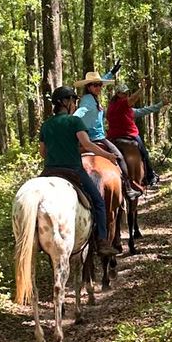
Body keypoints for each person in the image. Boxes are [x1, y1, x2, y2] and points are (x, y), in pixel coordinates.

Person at [38, 86, 121, 258]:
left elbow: (42, 152)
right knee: (98, 202)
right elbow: (89, 145)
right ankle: (102, 241)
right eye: (73, 101)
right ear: (65, 102)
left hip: (48, 172)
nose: (75, 104)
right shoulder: (75, 122)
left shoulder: (46, 125)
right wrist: (108, 156)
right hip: (73, 170)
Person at [73, 72, 140, 202]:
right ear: (89, 86)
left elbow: (102, 80)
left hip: (90, 136)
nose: (98, 87)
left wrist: (110, 73)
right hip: (96, 137)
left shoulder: (92, 98)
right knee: (119, 157)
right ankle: (128, 187)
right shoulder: (88, 100)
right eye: (95, 85)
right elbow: (81, 112)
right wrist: (71, 120)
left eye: (100, 85)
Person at [106, 79, 162, 186]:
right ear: (118, 94)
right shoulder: (121, 104)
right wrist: (142, 88)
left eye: (127, 93)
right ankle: (150, 176)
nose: (126, 95)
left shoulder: (113, 106)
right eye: (124, 93)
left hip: (112, 137)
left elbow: (143, 110)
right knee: (144, 153)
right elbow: (132, 99)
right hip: (129, 135)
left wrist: (160, 105)